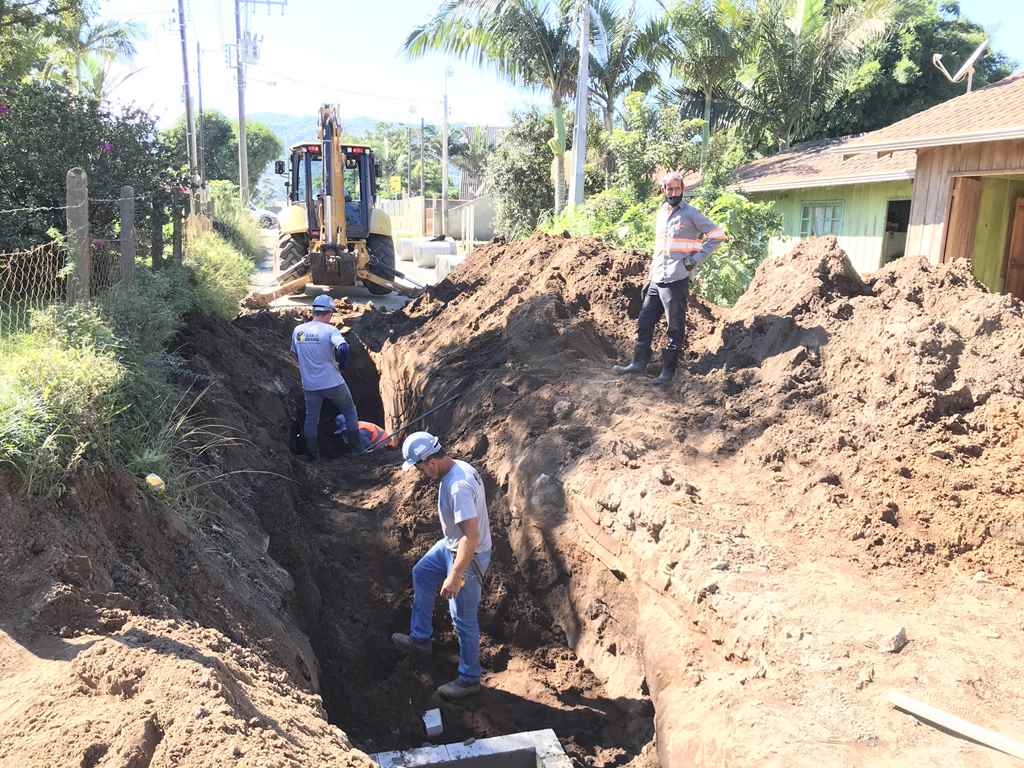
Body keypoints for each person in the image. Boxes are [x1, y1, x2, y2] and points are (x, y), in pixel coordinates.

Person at [391, 432, 492, 700]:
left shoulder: (458, 486)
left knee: (463, 619)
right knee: (422, 573)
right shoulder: (457, 468)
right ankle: (420, 639)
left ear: (429, 462)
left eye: (419, 467)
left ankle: (470, 678)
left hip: (467, 557)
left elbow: (472, 537)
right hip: (451, 546)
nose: (421, 473)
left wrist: (455, 575)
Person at [614, 171, 726, 387]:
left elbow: (717, 235)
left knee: (674, 327)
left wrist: (693, 260)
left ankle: (667, 373)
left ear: (682, 189)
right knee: (645, 322)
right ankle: (638, 364)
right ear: (663, 190)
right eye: (669, 189)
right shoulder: (661, 213)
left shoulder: (691, 214)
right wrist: (650, 274)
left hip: (676, 279)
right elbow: (660, 248)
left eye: (677, 189)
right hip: (657, 278)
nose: (673, 192)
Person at [291, 294, 362, 461]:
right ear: (328, 313)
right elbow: (343, 348)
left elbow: (295, 354)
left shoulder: (298, 331)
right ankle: (356, 450)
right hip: (333, 383)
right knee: (350, 412)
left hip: (310, 385)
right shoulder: (330, 330)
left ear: (314, 311)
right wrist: (341, 366)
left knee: (311, 418)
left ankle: (313, 454)